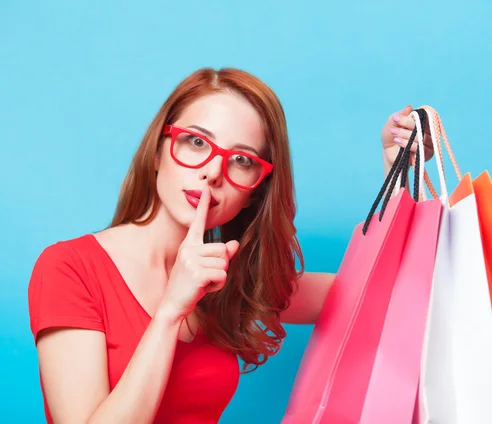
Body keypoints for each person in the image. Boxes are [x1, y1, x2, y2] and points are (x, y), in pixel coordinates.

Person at [27, 67, 432, 423]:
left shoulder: (230, 275)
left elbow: (379, 292)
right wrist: (170, 312)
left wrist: (398, 168)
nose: (212, 172)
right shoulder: (70, 267)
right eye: (197, 142)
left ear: (256, 191)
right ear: (157, 149)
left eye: (242, 160)